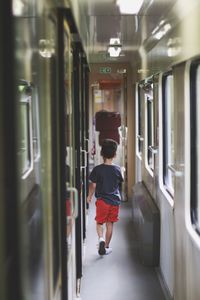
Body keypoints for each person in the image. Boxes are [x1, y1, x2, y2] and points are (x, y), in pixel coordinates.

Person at [87, 139, 124, 255]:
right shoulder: (117, 170)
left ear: (101, 154)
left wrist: (89, 196)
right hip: (114, 202)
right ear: (115, 154)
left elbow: (93, 185)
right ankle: (106, 246)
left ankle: (101, 239)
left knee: (99, 223)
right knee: (110, 224)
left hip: (102, 201)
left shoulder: (97, 169)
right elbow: (119, 182)